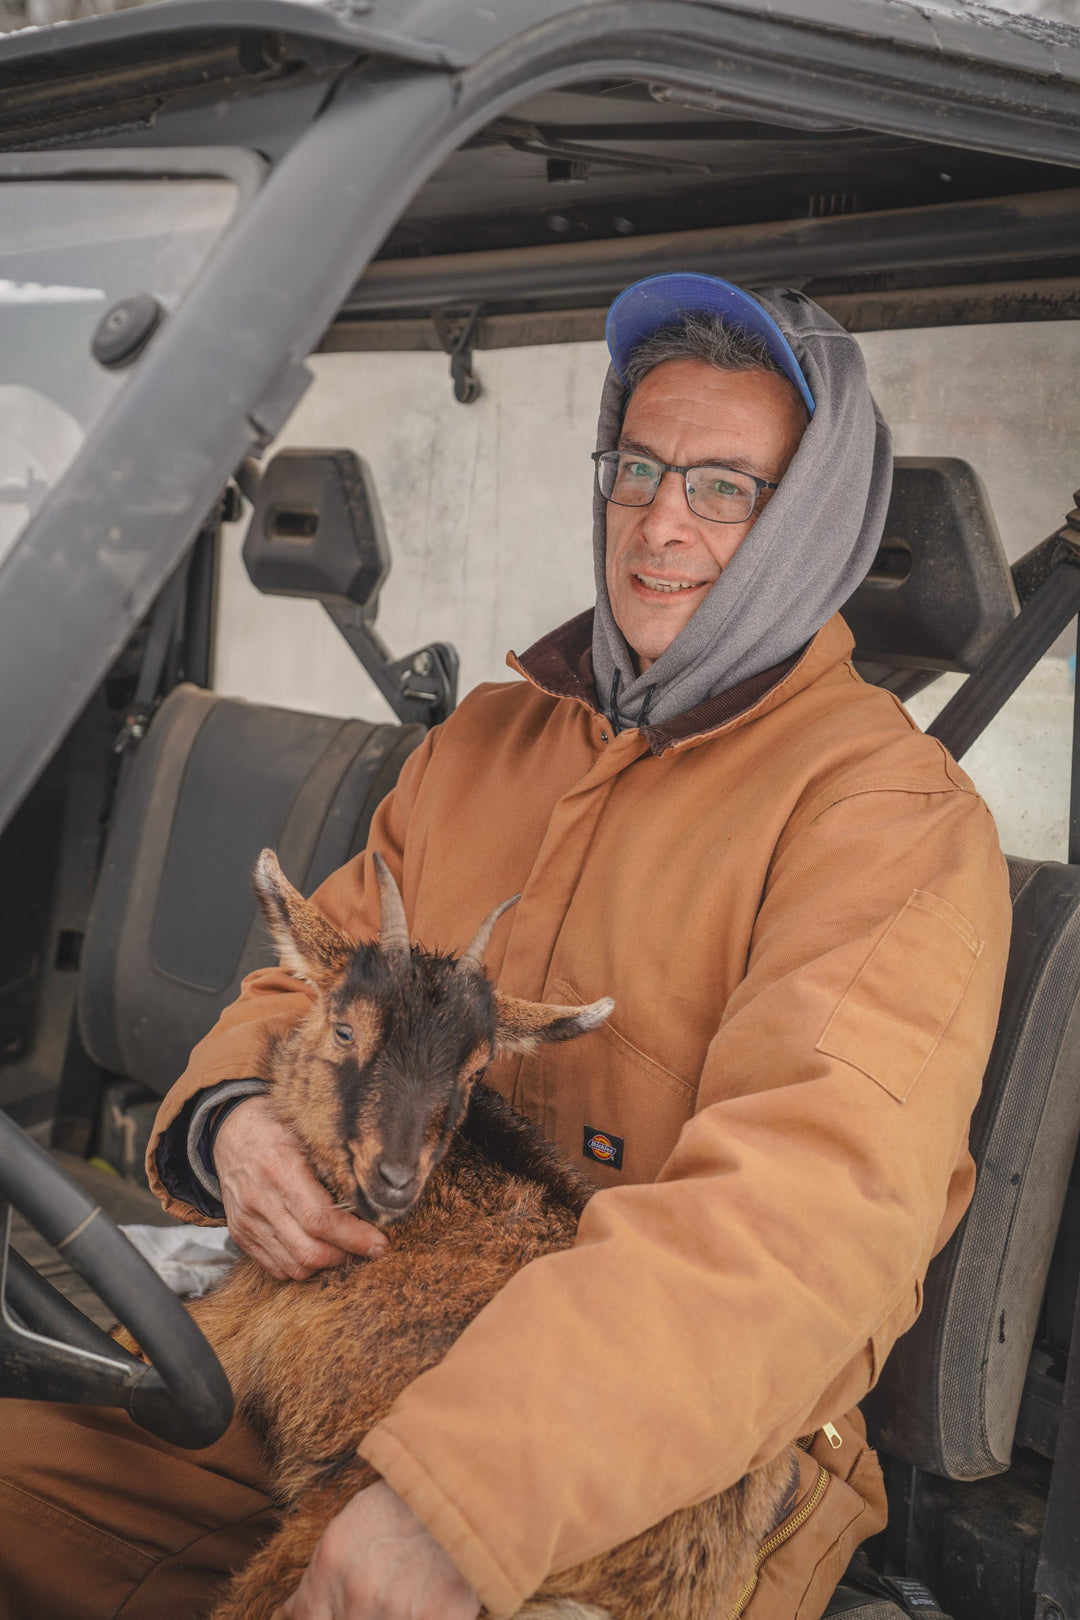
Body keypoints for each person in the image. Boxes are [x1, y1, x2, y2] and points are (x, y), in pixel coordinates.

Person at [0, 276, 1011, 1620]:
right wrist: (237, 1122)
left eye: (724, 486)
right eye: (638, 466)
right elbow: (310, 982)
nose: (660, 521)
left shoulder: (887, 824)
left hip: (649, 1478)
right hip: (320, 1342)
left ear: (808, 521)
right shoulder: (487, 740)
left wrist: (462, 1492)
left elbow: (798, 1227)